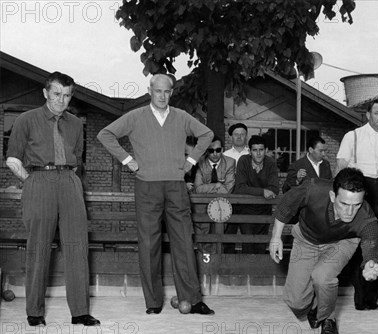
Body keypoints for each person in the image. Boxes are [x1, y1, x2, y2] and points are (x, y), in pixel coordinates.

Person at [97, 73, 215, 315]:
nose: (162, 96)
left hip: (176, 186)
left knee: (183, 241)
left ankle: (192, 299)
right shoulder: (135, 116)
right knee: (149, 244)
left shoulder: (181, 117)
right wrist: (128, 160)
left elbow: (207, 135)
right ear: (150, 91)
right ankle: (152, 302)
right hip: (146, 186)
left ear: (171, 93)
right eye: (158, 91)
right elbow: (105, 135)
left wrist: (191, 161)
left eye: (167, 91)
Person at [5, 71, 100, 327]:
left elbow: (77, 159)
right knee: (38, 247)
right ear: (46, 92)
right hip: (38, 179)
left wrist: (71, 182)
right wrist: (32, 181)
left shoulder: (77, 124)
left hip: (69, 181)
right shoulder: (26, 120)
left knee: (78, 247)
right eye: (57, 93)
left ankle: (80, 311)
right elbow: (12, 159)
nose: (61, 100)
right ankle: (34, 312)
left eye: (67, 95)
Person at [269, 168, 378, 334]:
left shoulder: (366, 217)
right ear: (332, 196)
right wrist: (276, 237)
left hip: (341, 243)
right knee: (296, 301)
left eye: (356, 205)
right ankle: (317, 306)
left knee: (323, 276)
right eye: (344, 204)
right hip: (305, 240)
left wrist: (371, 263)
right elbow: (287, 203)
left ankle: (327, 319)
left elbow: (371, 244)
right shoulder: (313, 189)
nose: (350, 212)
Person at [336, 99, 378, 310]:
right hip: (359, 190)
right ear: (367, 115)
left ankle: (371, 299)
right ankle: (359, 298)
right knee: (360, 242)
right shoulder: (352, 136)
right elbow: (341, 168)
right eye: (377, 113)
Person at [232, 134, 279, 253]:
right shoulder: (243, 161)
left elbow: (274, 189)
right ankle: (246, 271)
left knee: (261, 245)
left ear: (266, 150)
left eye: (261, 150)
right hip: (245, 209)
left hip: (264, 209)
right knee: (247, 244)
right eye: (254, 150)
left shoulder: (271, 163)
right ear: (249, 151)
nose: (258, 153)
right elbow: (240, 188)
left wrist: (254, 190)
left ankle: (259, 272)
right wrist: (262, 191)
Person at [192, 136, 236, 253]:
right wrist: (216, 186)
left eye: (218, 150)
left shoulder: (230, 162)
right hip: (201, 207)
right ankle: (204, 262)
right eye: (211, 151)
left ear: (222, 149)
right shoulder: (200, 162)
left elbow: (227, 190)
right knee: (203, 237)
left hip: (222, 206)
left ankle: (218, 264)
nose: (215, 153)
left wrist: (208, 188)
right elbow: (198, 189)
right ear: (207, 151)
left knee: (219, 237)